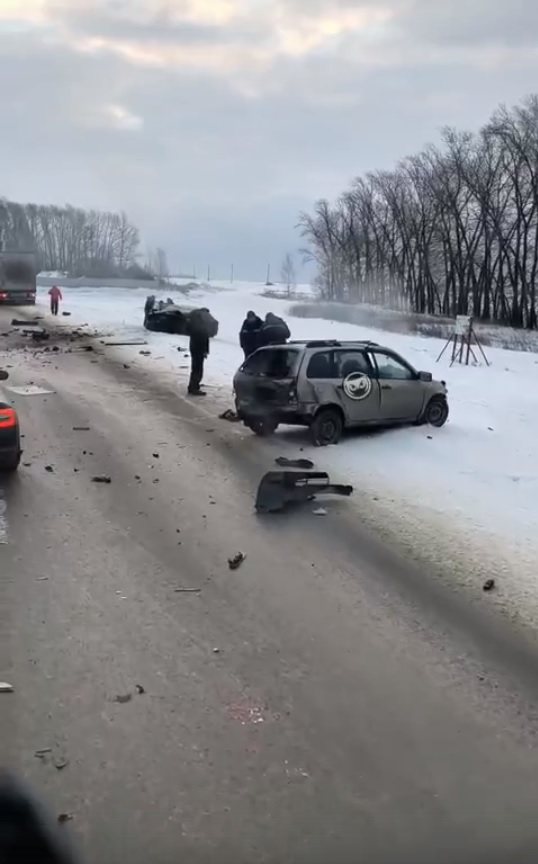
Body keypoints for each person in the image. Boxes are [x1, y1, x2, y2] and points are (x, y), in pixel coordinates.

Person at [187, 308, 213, 396]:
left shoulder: (195, 323)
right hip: (199, 349)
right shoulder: (201, 326)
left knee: (195, 368)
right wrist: (205, 351)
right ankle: (193, 387)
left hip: (194, 348)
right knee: (198, 369)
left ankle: (193, 386)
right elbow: (204, 339)